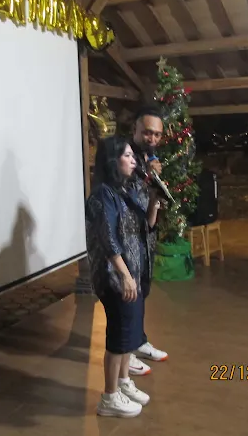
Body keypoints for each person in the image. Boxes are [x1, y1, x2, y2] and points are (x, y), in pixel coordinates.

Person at [85, 136, 161, 418]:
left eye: (133, 155)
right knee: (118, 335)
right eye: (127, 156)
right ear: (112, 160)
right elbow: (108, 240)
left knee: (129, 333)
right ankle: (109, 397)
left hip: (132, 273)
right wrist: (126, 276)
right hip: (115, 277)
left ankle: (123, 382)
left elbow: (146, 226)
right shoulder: (102, 195)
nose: (133, 160)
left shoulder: (125, 191)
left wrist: (154, 202)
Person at [126, 105, 169, 377]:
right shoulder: (125, 157)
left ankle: (138, 341)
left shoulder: (148, 157)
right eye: (147, 132)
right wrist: (147, 176)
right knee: (129, 295)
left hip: (146, 233)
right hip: (128, 237)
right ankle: (125, 351)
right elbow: (123, 191)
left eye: (157, 134)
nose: (152, 138)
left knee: (142, 290)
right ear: (135, 130)